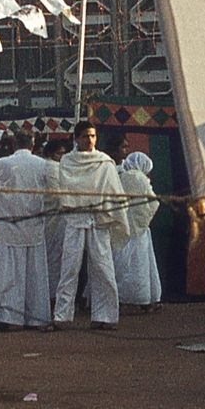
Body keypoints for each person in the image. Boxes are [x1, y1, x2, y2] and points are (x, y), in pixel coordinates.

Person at [53, 120, 130, 331]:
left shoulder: (104, 162)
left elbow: (113, 191)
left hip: (99, 221)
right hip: (75, 220)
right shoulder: (67, 162)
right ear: (76, 138)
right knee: (69, 270)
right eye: (86, 136)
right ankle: (61, 317)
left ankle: (105, 317)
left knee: (103, 270)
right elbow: (66, 189)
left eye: (93, 136)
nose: (90, 140)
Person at [0, 129, 52, 331]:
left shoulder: (4, 163)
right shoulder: (42, 164)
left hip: (10, 224)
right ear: (32, 145)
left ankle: (9, 318)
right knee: (36, 273)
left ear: (14, 145)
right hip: (33, 223)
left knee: (10, 273)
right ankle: (36, 317)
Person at [114, 151, 162, 310]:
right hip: (138, 231)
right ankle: (142, 302)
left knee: (118, 265)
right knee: (139, 267)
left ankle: (116, 300)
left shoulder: (117, 174)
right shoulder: (139, 178)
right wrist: (141, 219)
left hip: (119, 229)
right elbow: (153, 203)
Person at [42, 136, 72, 304]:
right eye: (58, 153)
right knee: (54, 257)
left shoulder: (55, 167)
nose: (61, 156)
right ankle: (51, 295)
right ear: (50, 153)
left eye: (63, 153)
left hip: (55, 217)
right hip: (54, 216)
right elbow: (56, 195)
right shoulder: (52, 168)